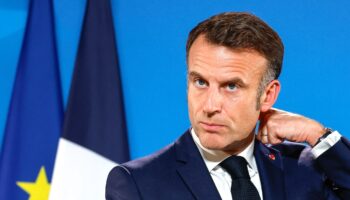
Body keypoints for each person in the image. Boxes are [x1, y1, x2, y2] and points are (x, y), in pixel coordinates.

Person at [105, 12, 350, 200]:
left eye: (231, 86)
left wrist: (318, 135)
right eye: (200, 82)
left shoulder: (306, 169)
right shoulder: (138, 183)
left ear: (268, 95)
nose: (210, 105)